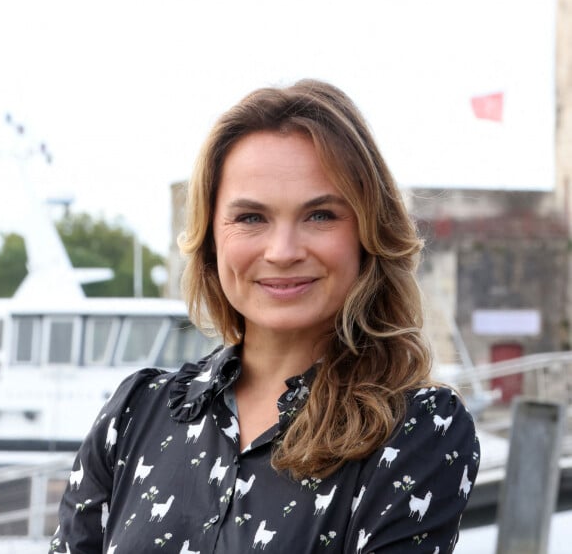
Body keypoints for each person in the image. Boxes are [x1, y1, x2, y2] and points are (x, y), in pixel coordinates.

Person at [50, 79, 479, 553]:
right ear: (211, 239)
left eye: (320, 215)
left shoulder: (419, 431)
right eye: (251, 218)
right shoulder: (134, 414)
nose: (283, 251)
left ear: (367, 233)